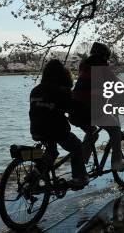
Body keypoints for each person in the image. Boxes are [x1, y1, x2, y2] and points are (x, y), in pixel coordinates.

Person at [29, 59, 89, 189]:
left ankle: (36, 173)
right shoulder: (61, 91)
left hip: (37, 130)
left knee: (51, 153)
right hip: (56, 130)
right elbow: (74, 108)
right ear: (61, 74)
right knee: (76, 146)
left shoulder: (35, 90)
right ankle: (79, 177)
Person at [71, 42, 124, 171]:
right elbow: (117, 84)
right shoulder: (101, 68)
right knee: (115, 129)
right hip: (90, 110)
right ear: (104, 56)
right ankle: (116, 162)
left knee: (92, 132)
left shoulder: (84, 67)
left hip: (75, 110)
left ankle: (82, 162)